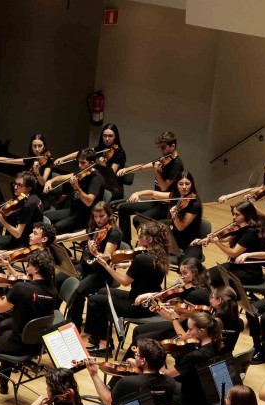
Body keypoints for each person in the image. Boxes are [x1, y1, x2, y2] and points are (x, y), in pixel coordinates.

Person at [0, 249, 60, 400]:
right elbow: (29, 286)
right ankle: (3, 382)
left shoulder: (21, 289)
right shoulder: (52, 289)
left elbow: (0, 307)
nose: (26, 268)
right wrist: (9, 269)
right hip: (38, 344)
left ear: (36, 269)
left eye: (29, 265)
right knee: (5, 331)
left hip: (19, 345)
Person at [83, 221, 171, 352]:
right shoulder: (160, 254)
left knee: (95, 300)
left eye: (140, 237)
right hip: (149, 301)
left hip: (138, 305)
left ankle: (103, 345)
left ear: (150, 239)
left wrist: (106, 266)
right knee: (102, 291)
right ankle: (99, 335)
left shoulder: (141, 258)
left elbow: (124, 282)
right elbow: (144, 269)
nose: (138, 239)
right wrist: (125, 265)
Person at [54, 201, 121, 331]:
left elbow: (106, 257)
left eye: (101, 216)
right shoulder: (94, 229)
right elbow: (71, 236)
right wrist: (53, 238)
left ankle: (75, 325)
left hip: (100, 272)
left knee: (78, 290)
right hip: (85, 267)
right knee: (58, 279)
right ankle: (54, 316)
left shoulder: (114, 234)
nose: (98, 219)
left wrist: (94, 252)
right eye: (95, 216)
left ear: (109, 215)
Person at [115, 131, 184, 245]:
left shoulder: (176, 165)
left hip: (167, 207)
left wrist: (157, 171)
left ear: (173, 146)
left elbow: (163, 187)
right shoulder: (163, 159)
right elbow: (142, 167)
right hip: (156, 202)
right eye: (160, 148)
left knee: (137, 220)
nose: (161, 151)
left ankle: (146, 245)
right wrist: (127, 170)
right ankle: (126, 245)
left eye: (164, 147)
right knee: (123, 208)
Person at [0, 171, 44, 279]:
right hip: (17, 239)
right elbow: (1, 211)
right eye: (15, 184)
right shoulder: (24, 198)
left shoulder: (28, 205)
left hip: (25, 244)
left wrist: (2, 221)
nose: (15, 187)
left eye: (19, 185)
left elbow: (18, 234)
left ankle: (0, 282)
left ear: (29, 188)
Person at [163, 312, 226, 405]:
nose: (187, 333)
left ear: (201, 331)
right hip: (212, 401)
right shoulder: (217, 345)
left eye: (190, 329)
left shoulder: (196, 355)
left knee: (155, 399)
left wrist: (154, 362)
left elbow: (169, 374)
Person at [219, 160, 265, 245]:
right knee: (244, 230)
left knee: (248, 236)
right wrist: (228, 196)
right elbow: (251, 190)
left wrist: (253, 207)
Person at [197, 201, 265, 288]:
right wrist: (207, 240)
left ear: (246, 215)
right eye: (233, 214)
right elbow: (228, 238)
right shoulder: (241, 226)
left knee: (210, 279)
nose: (234, 217)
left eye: (237, 215)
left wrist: (216, 242)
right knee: (205, 275)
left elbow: (234, 253)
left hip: (249, 271)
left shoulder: (250, 232)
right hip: (236, 265)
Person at [43, 148, 105, 233]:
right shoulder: (82, 172)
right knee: (45, 217)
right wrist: (50, 181)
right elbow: (62, 177)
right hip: (73, 211)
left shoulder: (96, 179)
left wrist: (77, 188)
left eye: (83, 163)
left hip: (85, 216)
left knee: (56, 227)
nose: (79, 165)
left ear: (92, 163)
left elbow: (89, 201)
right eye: (79, 162)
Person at [0, 133, 55, 204]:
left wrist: (36, 172)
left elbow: (43, 183)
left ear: (44, 146)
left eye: (40, 146)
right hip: (28, 192)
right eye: (34, 146)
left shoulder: (48, 161)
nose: (37, 149)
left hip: (40, 196)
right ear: (31, 147)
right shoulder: (31, 160)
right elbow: (9, 160)